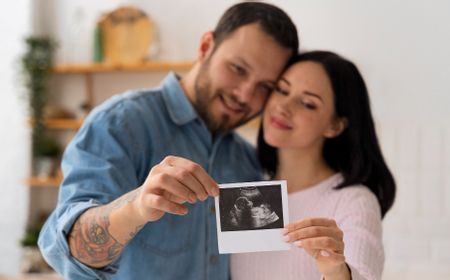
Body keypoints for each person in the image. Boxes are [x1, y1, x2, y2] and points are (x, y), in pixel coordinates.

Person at [37, 2, 299, 280]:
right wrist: (137, 208)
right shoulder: (120, 123)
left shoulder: (248, 160)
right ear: (206, 46)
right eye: (238, 68)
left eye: (265, 87)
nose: (245, 95)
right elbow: (67, 253)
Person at [231, 51, 396, 280]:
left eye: (307, 103)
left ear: (335, 126)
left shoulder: (353, 201)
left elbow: (364, 274)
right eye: (282, 90)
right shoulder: (247, 193)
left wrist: (337, 271)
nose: (283, 106)